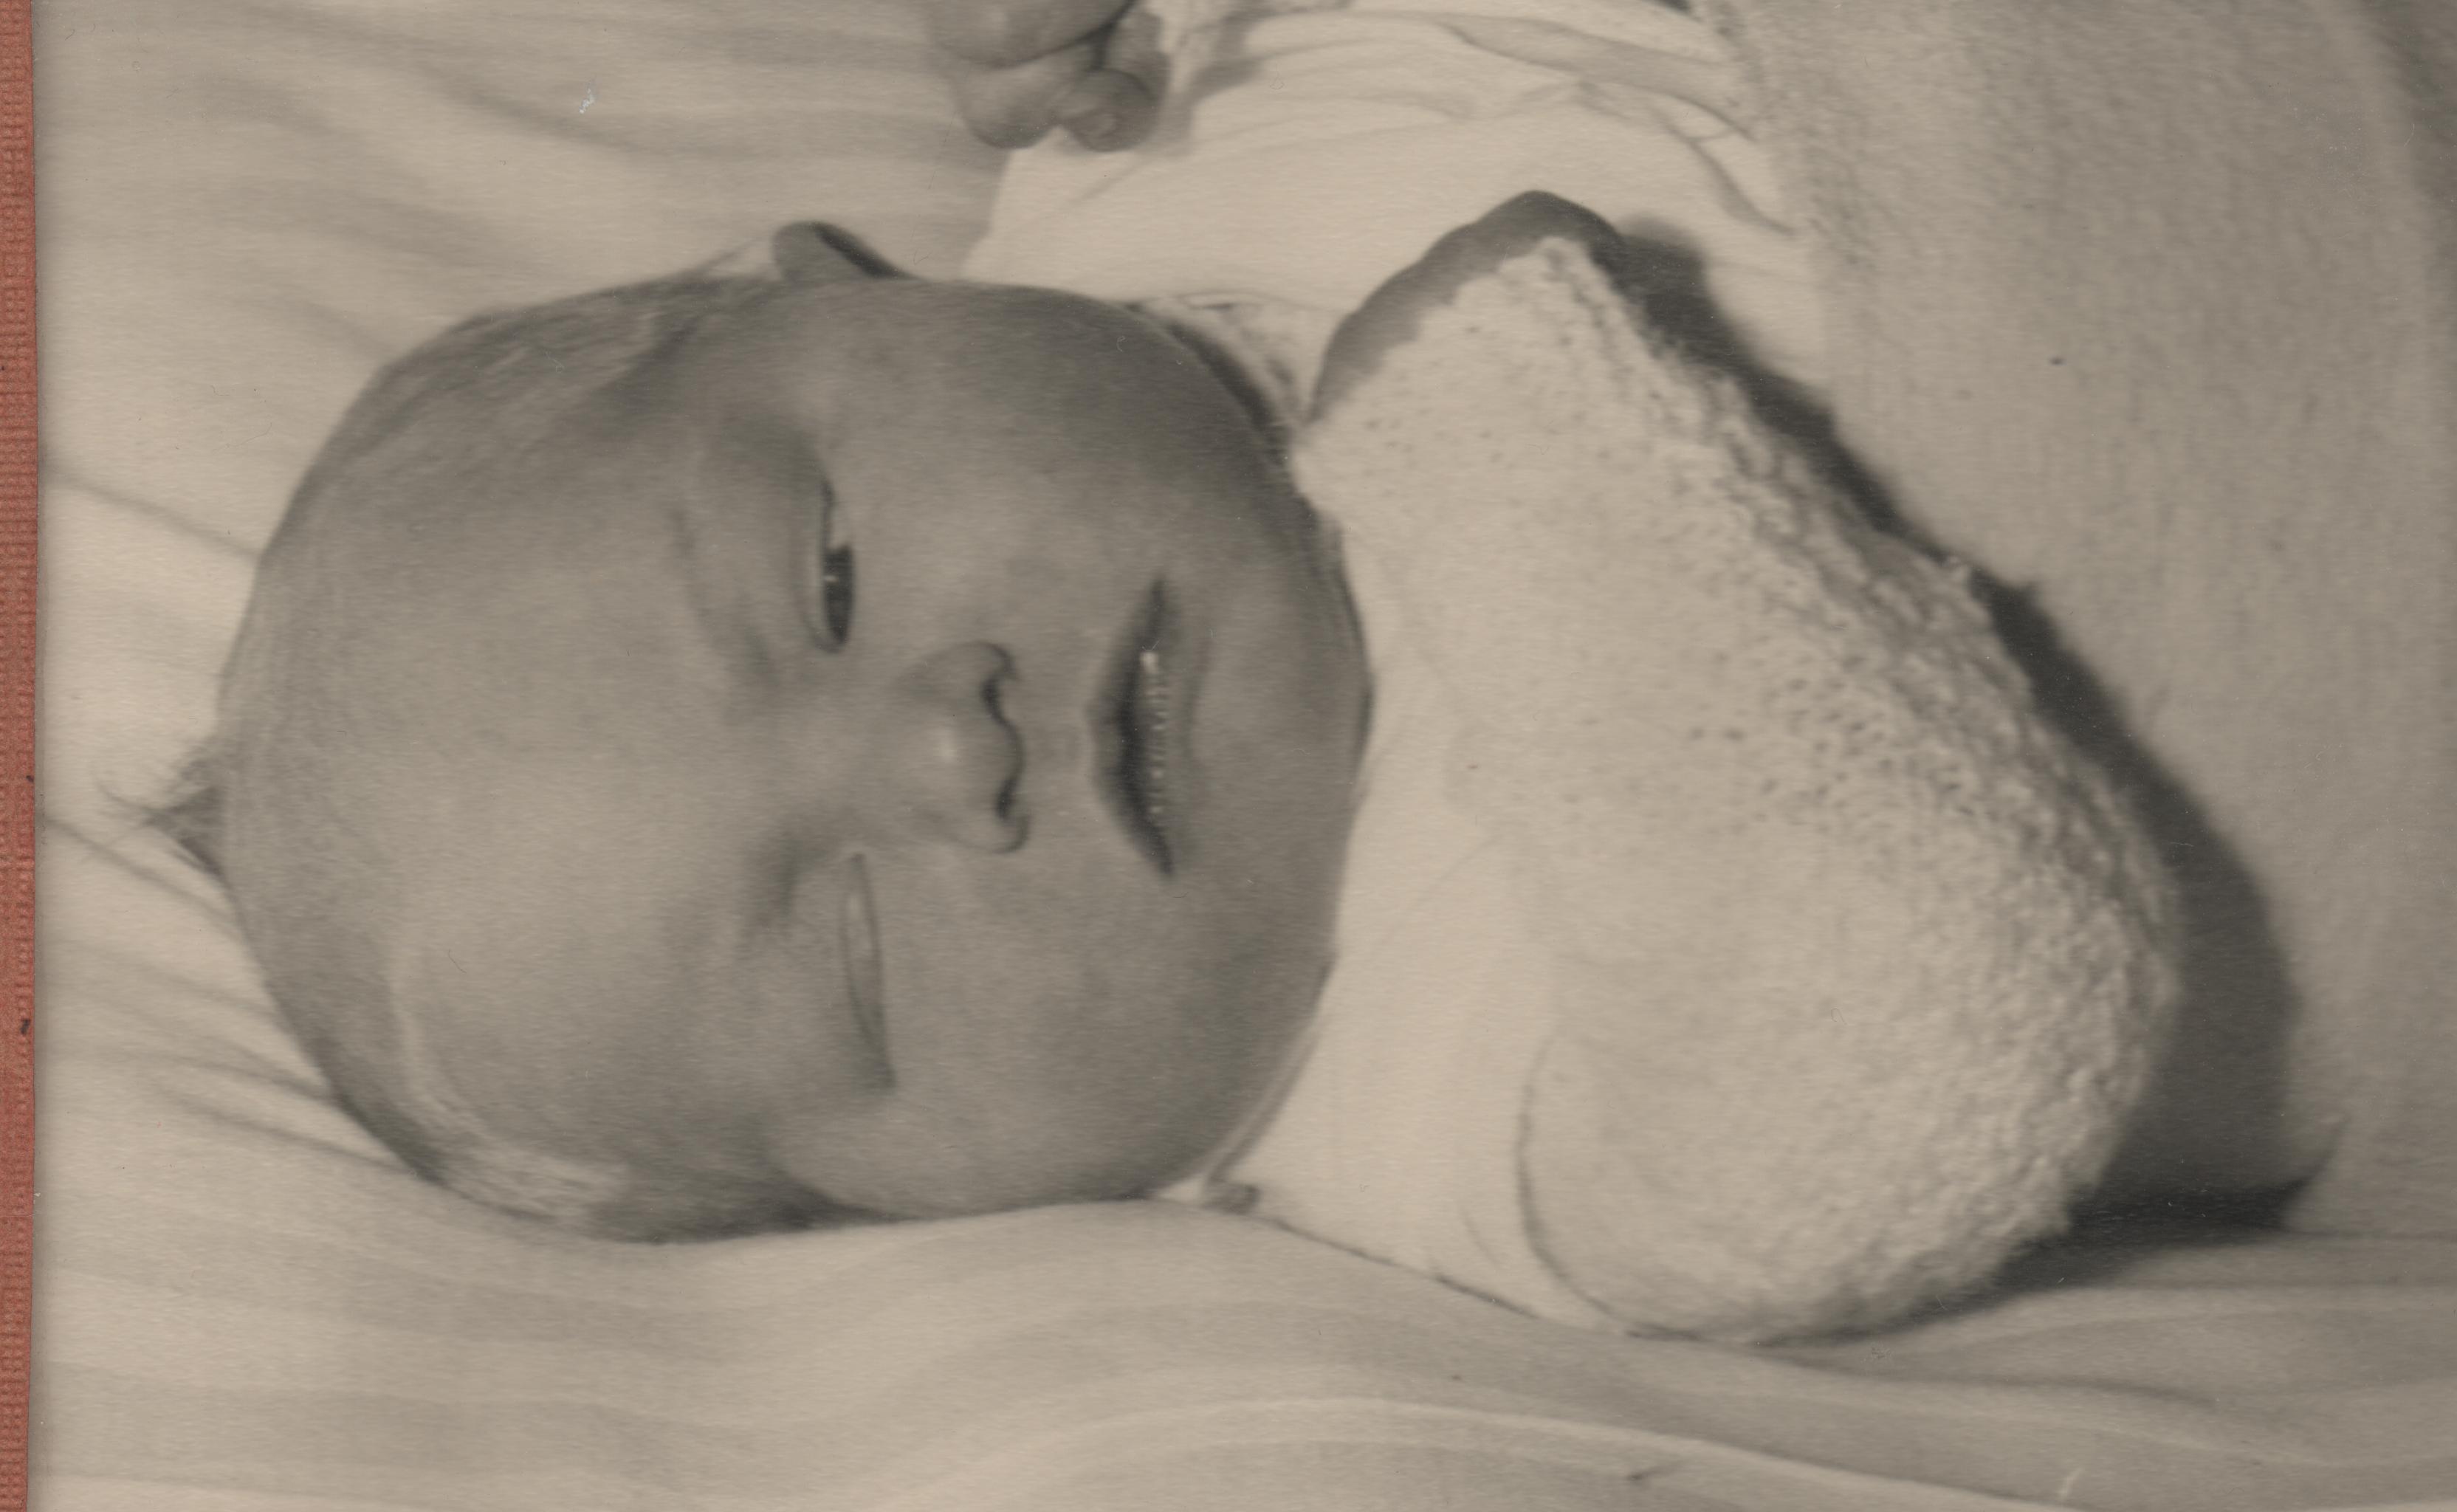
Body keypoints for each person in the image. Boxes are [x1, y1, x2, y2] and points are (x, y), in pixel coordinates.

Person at [162, 0, 2187, 1342]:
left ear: (848, 291)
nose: (945, 751)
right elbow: (1918, 1063)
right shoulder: (1433, 1072)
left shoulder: (1157, 149)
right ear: (926, 1212)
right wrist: (1519, 429)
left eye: (832, 576)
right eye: (855, 953)